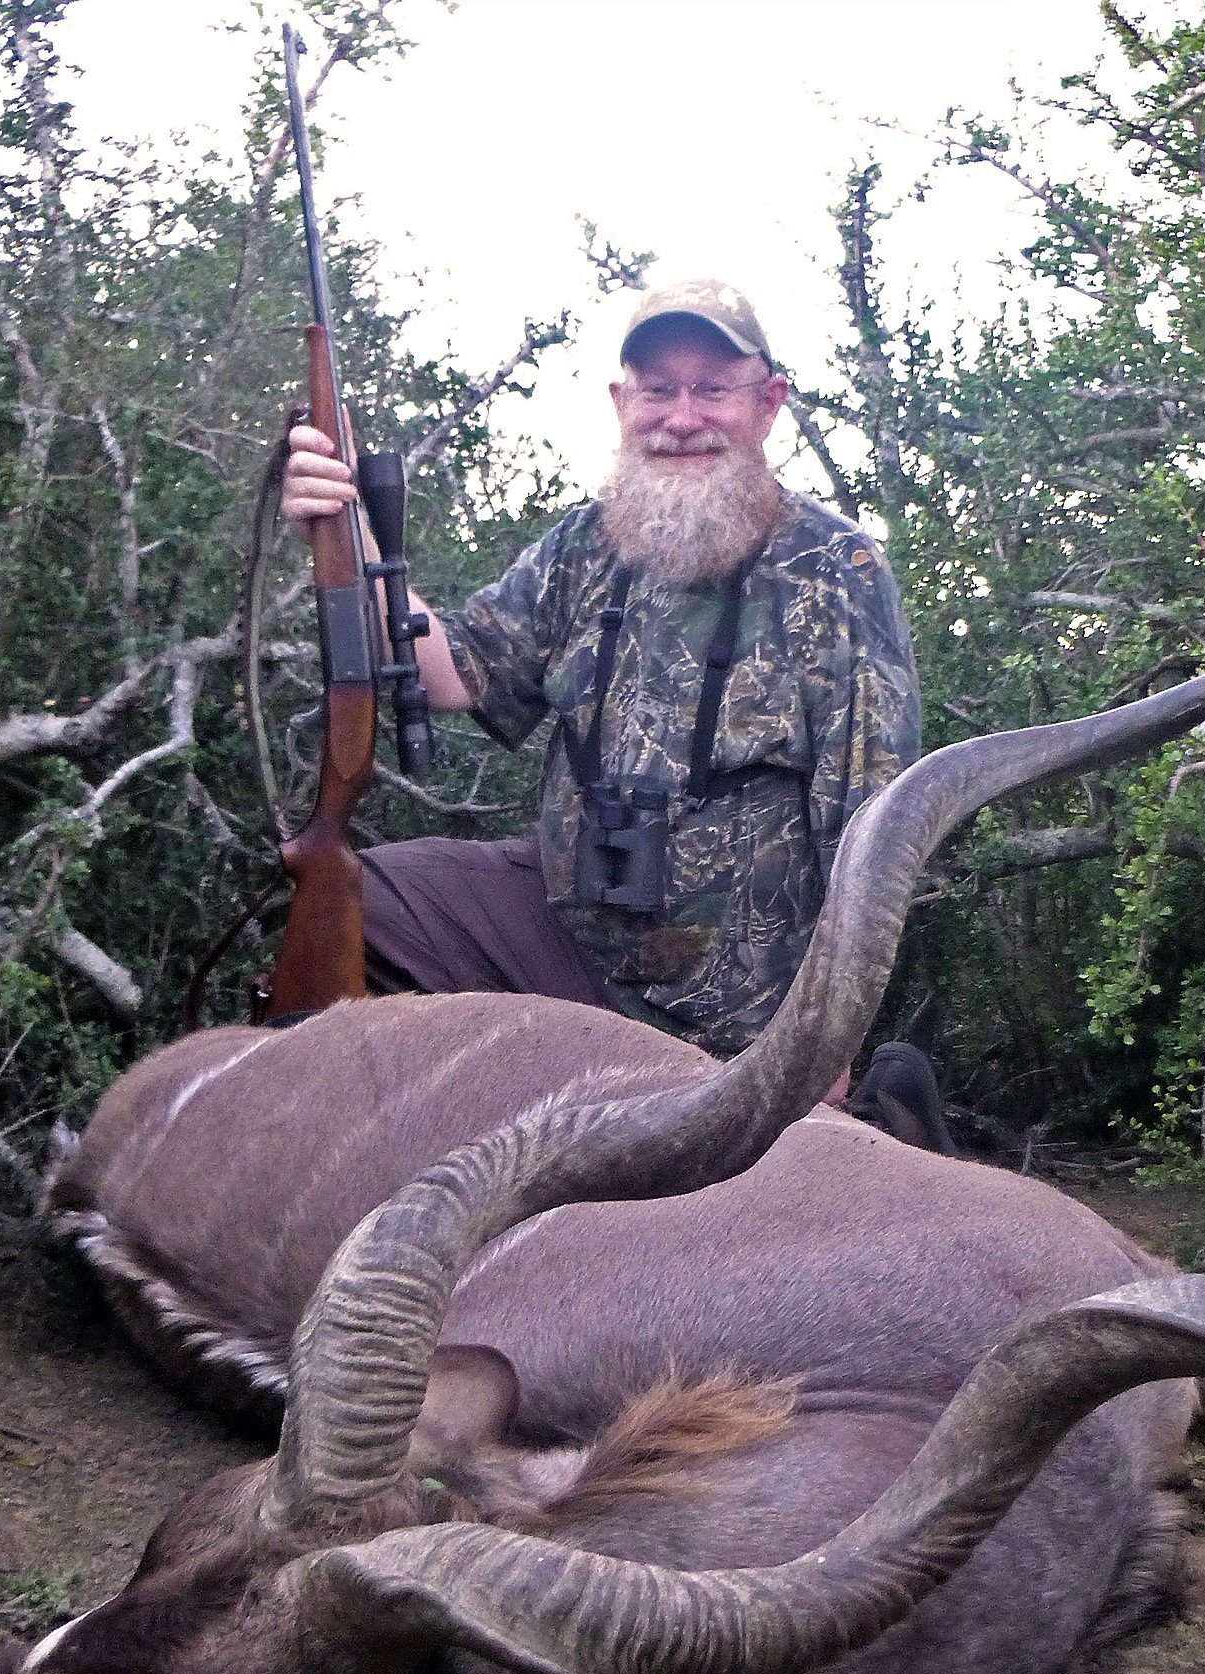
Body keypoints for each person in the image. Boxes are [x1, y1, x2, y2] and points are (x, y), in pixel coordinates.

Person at [281, 279, 947, 1142]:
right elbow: (449, 670)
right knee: (359, 905)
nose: (682, 417)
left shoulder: (837, 570)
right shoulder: (582, 546)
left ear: (769, 403)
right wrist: (346, 526)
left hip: (740, 1013)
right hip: (571, 944)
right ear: (620, 402)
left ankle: (879, 1121)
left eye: (712, 389)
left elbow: (877, 832)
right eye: (658, 390)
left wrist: (825, 1037)